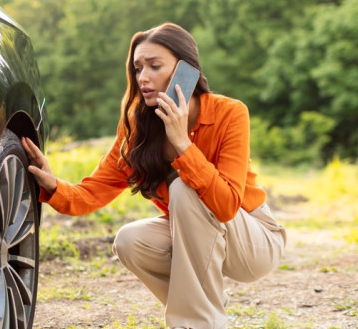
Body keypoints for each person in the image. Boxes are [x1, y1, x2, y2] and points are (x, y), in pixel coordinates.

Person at [22, 22, 287, 329]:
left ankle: (196, 322)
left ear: (185, 71)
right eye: (137, 68)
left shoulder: (230, 113)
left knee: (185, 189)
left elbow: (227, 206)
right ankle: (206, 309)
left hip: (253, 240)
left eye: (154, 66)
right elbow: (93, 192)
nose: (143, 77)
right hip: (197, 238)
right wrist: (53, 184)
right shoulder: (138, 128)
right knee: (130, 241)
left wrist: (183, 145)